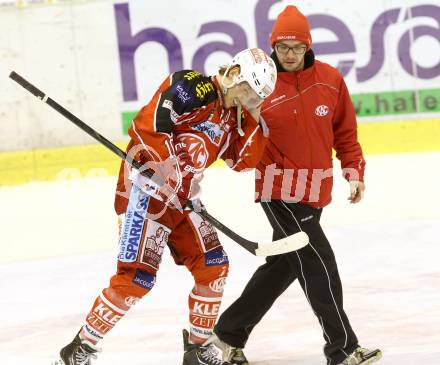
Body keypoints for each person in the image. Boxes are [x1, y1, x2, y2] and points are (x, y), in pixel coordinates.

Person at [52, 48, 277, 365]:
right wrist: (169, 169)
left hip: (182, 200)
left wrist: (253, 116)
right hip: (144, 194)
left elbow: (242, 162)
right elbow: (149, 125)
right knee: (135, 279)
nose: (249, 100)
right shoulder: (194, 87)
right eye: (248, 91)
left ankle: (197, 349)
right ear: (234, 74)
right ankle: (78, 350)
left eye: (256, 98)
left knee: (213, 267)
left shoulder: (231, 118)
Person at [205, 6, 382, 365]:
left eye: (296, 48)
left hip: (315, 192)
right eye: (283, 47)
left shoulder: (329, 79)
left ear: (308, 48)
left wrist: (354, 168)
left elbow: (345, 131)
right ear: (273, 46)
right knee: (319, 262)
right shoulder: (260, 84)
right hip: (278, 190)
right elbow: (233, 125)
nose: (289, 54)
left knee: (285, 266)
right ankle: (343, 349)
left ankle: (225, 337)